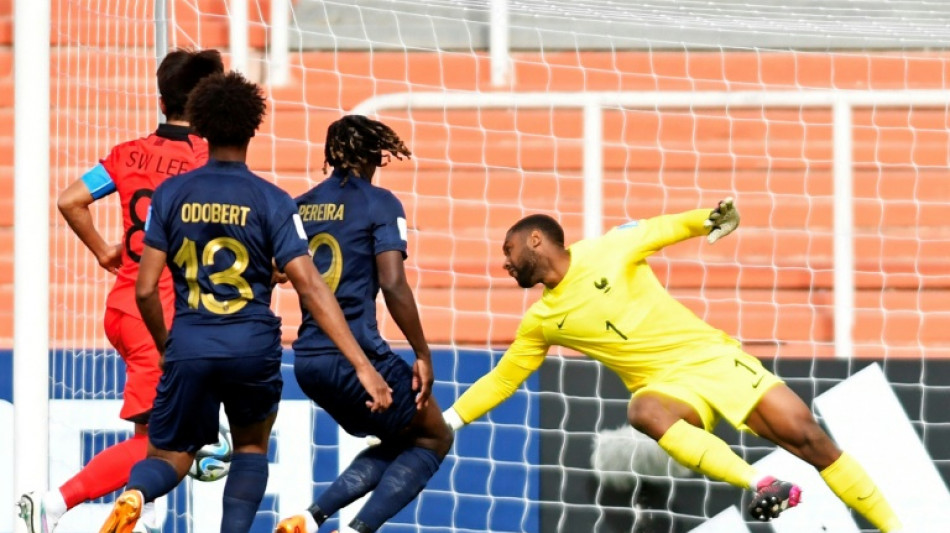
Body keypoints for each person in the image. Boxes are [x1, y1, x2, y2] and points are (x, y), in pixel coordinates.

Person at [441, 200, 904, 532]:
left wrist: (708, 220)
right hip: (667, 389)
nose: (504, 263)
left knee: (811, 439)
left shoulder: (609, 249)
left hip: (713, 358)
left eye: (507, 251)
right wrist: (448, 421)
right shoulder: (541, 322)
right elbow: (502, 379)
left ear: (535, 240)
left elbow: (663, 228)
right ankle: (760, 481)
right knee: (643, 411)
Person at [97, 73, 392, 533]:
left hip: (191, 342)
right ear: (254, 127)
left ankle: (136, 493)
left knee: (170, 453)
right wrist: (361, 364)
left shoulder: (171, 194)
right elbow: (312, 286)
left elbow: (144, 287)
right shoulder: (271, 200)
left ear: (200, 126)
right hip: (251, 345)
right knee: (251, 449)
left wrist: (167, 345)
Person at [17, 48, 224, 533]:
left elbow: (71, 200)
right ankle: (55, 503)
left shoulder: (126, 152)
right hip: (161, 312)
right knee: (170, 447)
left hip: (123, 305)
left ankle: (143, 512)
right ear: (208, 100)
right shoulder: (203, 161)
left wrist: (104, 252)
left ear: (161, 99)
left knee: (153, 427)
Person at [274, 115, 453, 533]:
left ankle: (310, 516)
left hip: (309, 365)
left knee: (397, 441)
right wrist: (422, 352)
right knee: (433, 438)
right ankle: (355, 530)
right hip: (358, 358)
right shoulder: (380, 203)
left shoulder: (298, 207)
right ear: (375, 154)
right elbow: (392, 283)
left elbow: (271, 271)